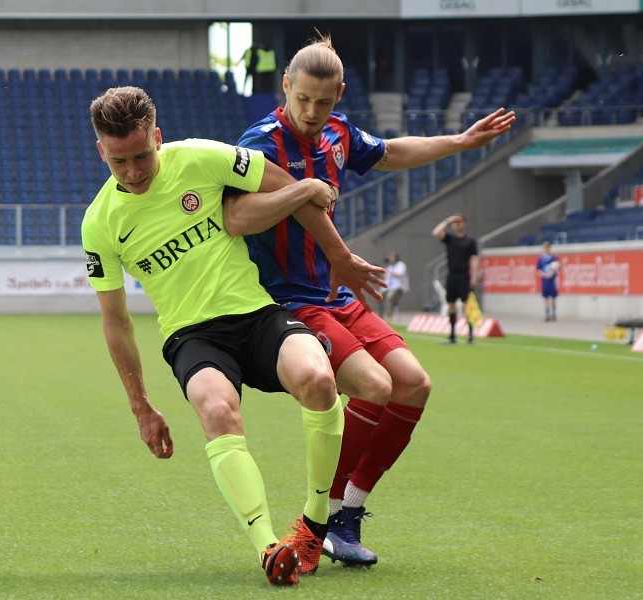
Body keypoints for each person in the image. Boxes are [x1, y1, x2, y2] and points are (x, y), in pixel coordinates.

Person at [225, 33, 515, 567]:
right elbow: (235, 217)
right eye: (302, 99)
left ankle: (346, 515)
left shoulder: (337, 133)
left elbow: (391, 152)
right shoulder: (259, 143)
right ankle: (318, 519)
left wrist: (458, 142)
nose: (311, 112)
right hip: (289, 302)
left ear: (338, 97)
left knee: (413, 384)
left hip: (335, 293)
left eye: (324, 102)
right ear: (285, 86)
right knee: (375, 386)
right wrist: (305, 203)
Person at [82, 86, 386, 586]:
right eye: (119, 162)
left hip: (256, 314)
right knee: (218, 410)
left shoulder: (202, 157)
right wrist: (141, 407)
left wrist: (337, 253)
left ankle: (314, 524)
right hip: (192, 337)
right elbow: (115, 321)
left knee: (318, 379)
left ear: (157, 138)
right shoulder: (99, 223)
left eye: (141, 156)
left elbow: (289, 186)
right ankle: (268, 546)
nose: (133, 171)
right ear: (101, 152)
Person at [432, 213, 480, 343]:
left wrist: (474, 276)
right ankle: (452, 335)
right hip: (451, 275)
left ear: (465, 224)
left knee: (467, 305)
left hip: (464, 275)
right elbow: (436, 232)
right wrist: (448, 220)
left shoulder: (470, 241)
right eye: (455, 222)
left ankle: (470, 335)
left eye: (460, 222)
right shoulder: (450, 238)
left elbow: (474, 259)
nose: (457, 224)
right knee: (451, 304)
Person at [382, 252, 409, 322]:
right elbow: (386, 277)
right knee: (379, 296)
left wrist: (388, 271)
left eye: (392, 257)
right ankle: (380, 316)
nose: (390, 259)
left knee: (389, 297)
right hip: (388, 286)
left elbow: (399, 274)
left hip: (398, 287)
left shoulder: (401, 265)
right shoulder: (389, 266)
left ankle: (389, 316)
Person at [536, 241, 560, 321]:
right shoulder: (541, 259)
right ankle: (547, 314)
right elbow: (538, 270)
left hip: (552, 281)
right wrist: (544, 274)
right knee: (546, 298)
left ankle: (554, 314)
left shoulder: (554, 258)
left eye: (548, 247)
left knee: (553, 297)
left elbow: (557, 267)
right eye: (545, 248)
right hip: (545, 281)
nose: (546, 249)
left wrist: (553, 272)